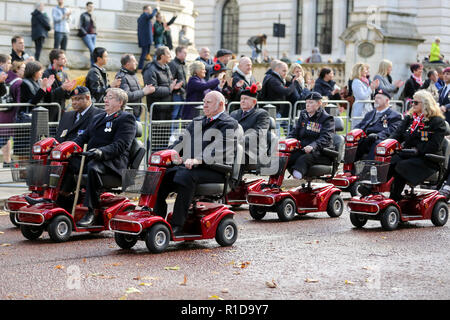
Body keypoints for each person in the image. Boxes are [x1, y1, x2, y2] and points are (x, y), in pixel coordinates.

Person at [154, 91, 239, 236]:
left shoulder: (229, 123)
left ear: (220, 104)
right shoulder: (198, 121)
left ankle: (177, 225)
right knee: (162, 175)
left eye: (208, 102)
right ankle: (157, 220)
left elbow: (221, 149)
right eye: (204, 101)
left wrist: (198, 159)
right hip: (190, 166)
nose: (204, 105)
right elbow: (181, 141)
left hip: (216, 169)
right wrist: (166, 155)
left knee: (187, 176)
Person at [61, 88, 137, 227]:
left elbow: (121, 145)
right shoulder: (98, 117)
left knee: (93, 167)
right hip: (93, 157)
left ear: (120, 102)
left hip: (113, 163)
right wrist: (66, 146)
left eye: (110, 97)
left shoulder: (126, 118)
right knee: (67, 161)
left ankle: (91, 211)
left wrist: (100, 152)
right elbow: (82, 138)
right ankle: (59, 199)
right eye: (106, 97)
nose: (105, 100)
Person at [387, 90, 446, 202]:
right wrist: (387, 144)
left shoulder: (437, 121)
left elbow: (434, 145)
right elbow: (397, 134)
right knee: (389, 161)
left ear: (426, 104)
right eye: (412, 102)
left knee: (401, 165)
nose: (412, 105)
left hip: (428, 158)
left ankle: (394, 198)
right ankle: (374, 190)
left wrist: (417, 150)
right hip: (409, 154)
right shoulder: (410, 118)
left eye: (415, 102)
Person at [286, 92, 335, 180]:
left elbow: (325, 138)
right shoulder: (304, 115)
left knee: (303, 160)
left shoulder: (327, 118)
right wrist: (287, 142)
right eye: (306, 102)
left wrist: (312, 146)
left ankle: (297, 179)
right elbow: (295, 131)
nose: (307, 105)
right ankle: (274, 184)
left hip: (321, 152)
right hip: (303, 149)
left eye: (311, 102)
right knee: (286, 157)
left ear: (319, 103)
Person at [353, 89, 403, 161]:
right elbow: (360, 125)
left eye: (379, 98)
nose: (376, 100)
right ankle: (349, 168)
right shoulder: (370, 114)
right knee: (352, 140)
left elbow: (391, 130)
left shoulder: (394, 116)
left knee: (377, 144)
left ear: (387, 100)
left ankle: (370, 168)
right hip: (366, 139)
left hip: (378, 139)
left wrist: (377, 136)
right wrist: (354, 132)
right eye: (375, 98)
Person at [230, 84, 270, 164]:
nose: (242, 101)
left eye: (246, 99)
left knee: (235, 154)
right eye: (241, 99)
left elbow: (258, 133)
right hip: (232, 146)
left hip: (252, 150)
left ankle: (234, 176)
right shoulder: (234, 114)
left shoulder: (262, 114)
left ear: (254, 102)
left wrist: (239, 141)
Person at [143, 46, 183, 121]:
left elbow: (169, 84)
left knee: (166, 132)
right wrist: (169, 89)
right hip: (157, 109)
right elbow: (152, 89)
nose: (170, 56)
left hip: (168, 107)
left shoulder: (166, 67)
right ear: (162, 56)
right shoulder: (150, 69)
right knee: (156, 132)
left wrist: (174, 87)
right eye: (168, 53)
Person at [115, 54, 155, 119]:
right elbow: (127, 96)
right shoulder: (121, 77)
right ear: (127, 64)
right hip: (128, 114)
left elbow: (136, 91)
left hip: (136, 112)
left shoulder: (133, 74)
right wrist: (143, 92)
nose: (136, 63)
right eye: (134, 61)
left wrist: (146, 89)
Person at [42, 49, 76, 121]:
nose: (65, 60)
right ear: (55, 61)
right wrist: (62, 88)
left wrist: (70, 90)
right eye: (63, 58)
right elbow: (48, 96)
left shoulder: (64, 74)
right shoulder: (46, 74)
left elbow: (66, 96)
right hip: (50, 112)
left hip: (61, 110)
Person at [0, 57, 21, 168]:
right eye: (8, 63)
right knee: (3, 138)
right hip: (4, 113)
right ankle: (7, 161)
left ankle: (7, 161)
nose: (10, 65)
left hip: (4, 112)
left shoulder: (4, 75)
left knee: (5, 137)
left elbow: (2, 91)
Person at [351, 63, 380, 129]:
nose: (367, 71)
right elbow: (362, 96)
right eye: (365, 70)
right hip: (360, 109)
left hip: (367, 109)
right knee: (358, 128)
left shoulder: (364, 81)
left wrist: (374, 87)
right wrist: (370, 88)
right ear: (359, 71)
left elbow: (369, 94)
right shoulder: (356, 82)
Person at [168, 46, 188, 121]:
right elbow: (170, 78)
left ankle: (176, 132)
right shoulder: (173, 64)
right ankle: (173, 133)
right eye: (184, 53)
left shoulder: (183, 64)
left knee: (179, 115)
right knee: (174, 115)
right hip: (176, 94)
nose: (186, 54)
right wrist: (175, 86)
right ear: (178, 53)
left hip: (182, 93)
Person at [137, 5, 159, 71]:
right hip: (145, 39)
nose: (151, 11)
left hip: (145, 39)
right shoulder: (145, 15)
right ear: (145, 10)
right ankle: (140, 68)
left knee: (147, 54)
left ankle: (147, 67)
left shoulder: (143, 17)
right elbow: (151, 16)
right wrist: (156, 9)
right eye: (150, 9)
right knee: (144, 54)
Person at [78, 2, 97, 66]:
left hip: (93, 35)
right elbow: (80, 26)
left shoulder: (93, 16)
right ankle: (94, 65)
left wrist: (96, 32)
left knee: (92, 51)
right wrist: (85, 33)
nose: (91, 8)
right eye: (89, 6)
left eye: (92, 6)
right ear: (86, 7)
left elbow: (94, 26)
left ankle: (93, 65)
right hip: (87, 35)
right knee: (93, 50)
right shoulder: (83, 15)